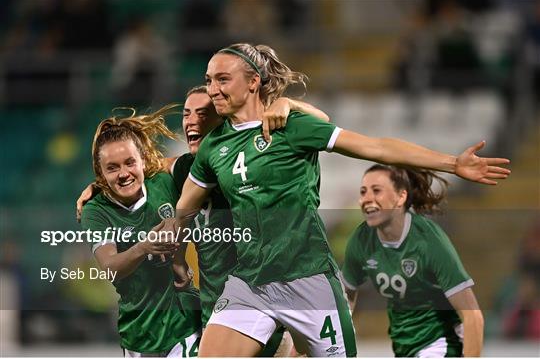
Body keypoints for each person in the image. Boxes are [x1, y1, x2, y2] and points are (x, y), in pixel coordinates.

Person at [161, 42, 509, 357]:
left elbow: (375, 147)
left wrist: (452, 163)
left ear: (253, 81)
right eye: (209, 80)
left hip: (308, 280)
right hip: (250, 284)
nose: (213, 89)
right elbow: (185, 207)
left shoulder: (292, 126)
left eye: (222, 79)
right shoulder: (213, 147)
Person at [76, 86, 329, 356]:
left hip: (263, 307)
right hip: (210, 314)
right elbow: (145, 170)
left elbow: (321, 123)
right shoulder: (183, 172)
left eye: (202, 113)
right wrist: (102, 184)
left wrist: (287, 102)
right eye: (186, 114)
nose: (191, 121)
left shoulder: (253, 158)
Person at [79, 105, 202, 357]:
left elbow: (209, 159)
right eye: (112, 168)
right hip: (137, 333)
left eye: (130, 163)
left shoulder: (165, 182)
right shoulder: (95, 211)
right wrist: (144, 247)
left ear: (143, 161)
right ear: (100, 173)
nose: (124, 174)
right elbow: (111, 268)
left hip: (183, 322)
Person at [341, 164, 484, 357]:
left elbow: (473, 315)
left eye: (376, 191)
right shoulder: (361, 239)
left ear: (401, 197)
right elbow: (346, 298)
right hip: (404, 346)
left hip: (442, 344)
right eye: (363, 191)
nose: (366, 199)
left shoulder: (429, 241)